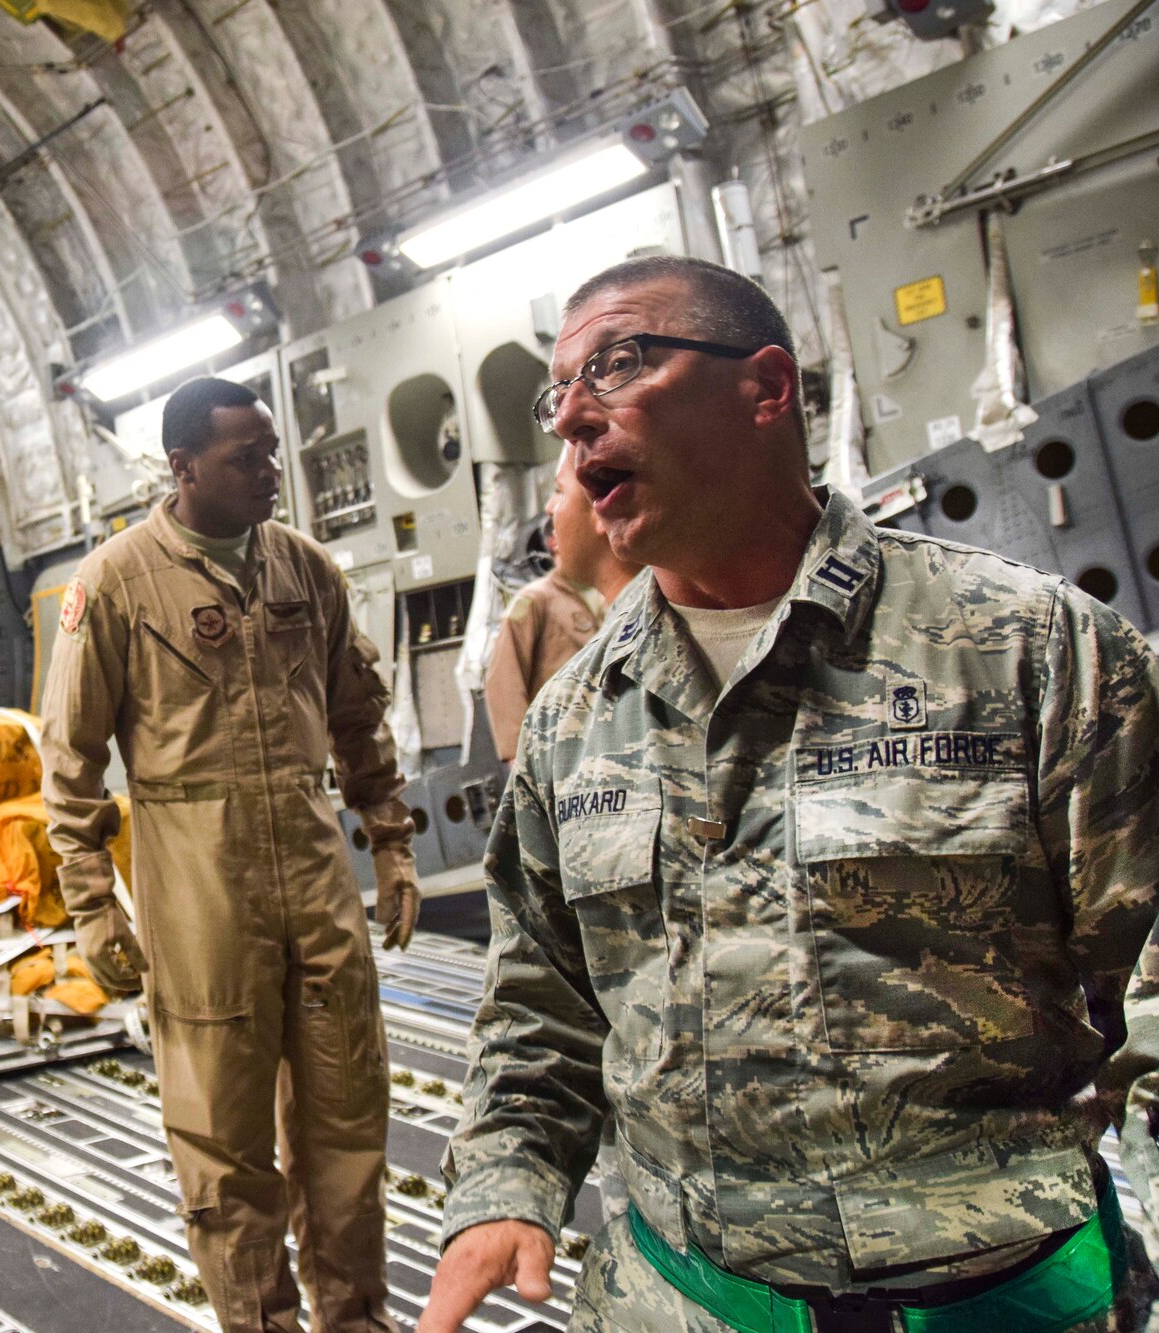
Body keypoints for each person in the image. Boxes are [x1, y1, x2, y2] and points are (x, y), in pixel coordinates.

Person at [421, 255, 1159, 1333]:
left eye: (617, 364)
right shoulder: (572, 722)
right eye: (558, 392)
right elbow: (539, 1002)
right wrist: (501, 1189)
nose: (572, 416)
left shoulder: (1026, 648)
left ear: (765, 388)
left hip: (999, 1302)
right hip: (685, 1302)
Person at [41, 375, 420, 1332]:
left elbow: (356, 716)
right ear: (184, 467)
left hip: (314, 874)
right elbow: (72, 757)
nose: (270, 472)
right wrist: (93, 902)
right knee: (223, 1142)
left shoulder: (304, 569)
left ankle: (357, 1320)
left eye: (271, 451)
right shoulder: (120, 583)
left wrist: (393, 844)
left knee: (346, 1125)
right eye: (245, 457)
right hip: (200, 889)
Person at [482, 444, 640, 762]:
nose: (553, 507)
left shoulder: (602, 597)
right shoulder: (533, 601)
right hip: (557, 750)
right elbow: (504, 679)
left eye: (560, 493)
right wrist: (517, 757)